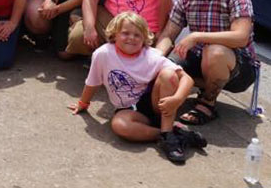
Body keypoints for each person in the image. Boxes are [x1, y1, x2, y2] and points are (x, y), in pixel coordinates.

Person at [69, 12, 205, 164]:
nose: (131, 38)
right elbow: (93, 81)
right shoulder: (103, 54)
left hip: (157, 105)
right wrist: (83, 103)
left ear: (145, 38)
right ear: (114, 35)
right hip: (129, 110)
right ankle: (173, 134)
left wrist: (177, 98)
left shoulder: (151, 55)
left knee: (168, 74)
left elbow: (187, 79)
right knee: (119, 125)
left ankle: (168, 136)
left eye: (137, 35)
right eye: (125, 33)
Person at [155, 0, 257, 125]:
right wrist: (154, 60)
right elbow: (168, 35)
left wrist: (197, 36)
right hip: (201, 60)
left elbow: (240, 37)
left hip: (240, 69)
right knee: (167, 67)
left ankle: (207, 103)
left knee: (214, 51)